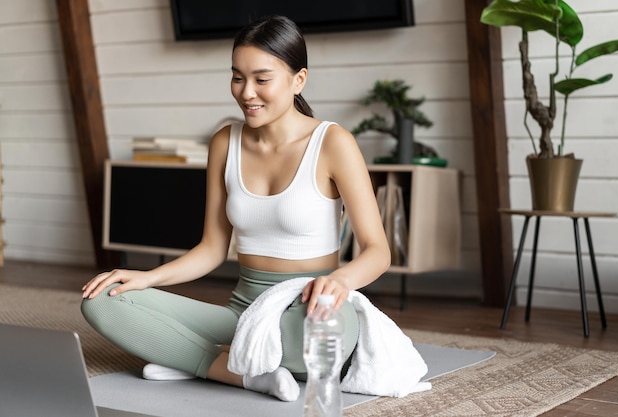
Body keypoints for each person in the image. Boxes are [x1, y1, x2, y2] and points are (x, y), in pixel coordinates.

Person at [81, 15, 390, 402]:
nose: (246, 93)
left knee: (318, 346)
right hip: (243, 313)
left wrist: (341, 282)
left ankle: (195, 360)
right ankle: (240, 372)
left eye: (262, 79)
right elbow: (212, 248)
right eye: (237, 77)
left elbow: (377, 250)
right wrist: (148, 277)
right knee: (103, 300)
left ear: (299, 80)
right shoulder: (225, 142)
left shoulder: (333, 142)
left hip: (311, 306)